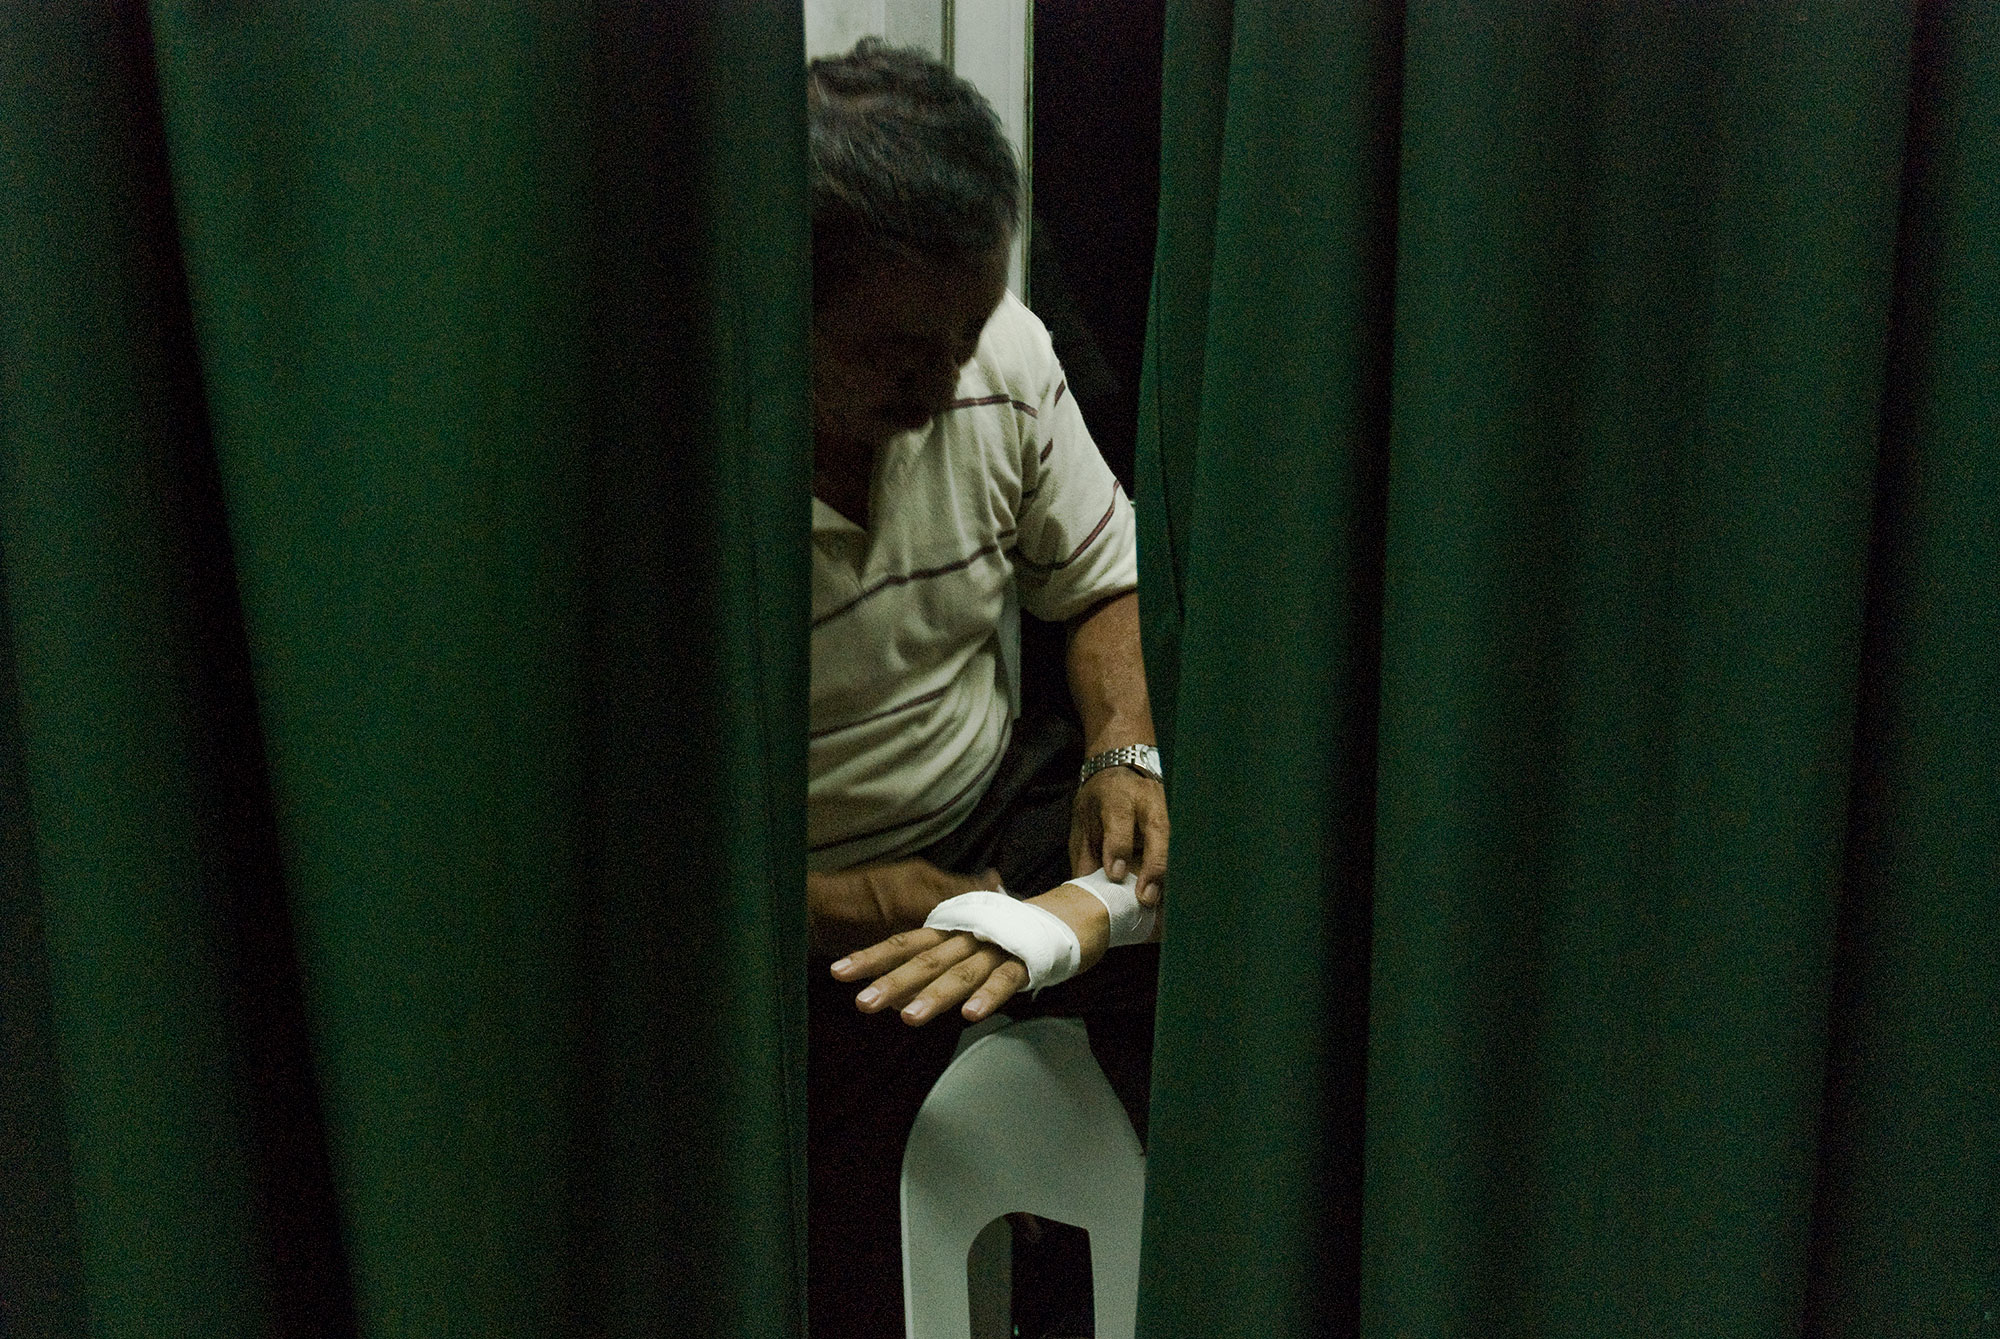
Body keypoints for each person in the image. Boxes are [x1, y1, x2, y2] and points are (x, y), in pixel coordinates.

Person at [802, 38, 1169, 1339]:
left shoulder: (993, 349)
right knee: (849, 1274)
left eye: (968, 331)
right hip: (799, 905)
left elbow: (1100, 578)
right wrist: (847, 901)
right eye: (901, 350)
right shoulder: (678, 442)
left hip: (981, 807)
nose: (951, 381)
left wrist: (1122, 745)